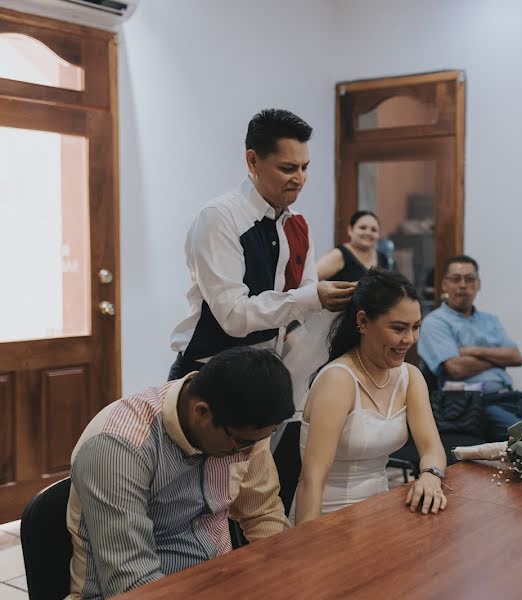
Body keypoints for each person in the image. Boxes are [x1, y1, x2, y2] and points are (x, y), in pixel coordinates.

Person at [67, 347, 294, 600]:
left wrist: (284, 579)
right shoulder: (119, 448)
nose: (248, 451)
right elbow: (134, 584)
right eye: (242, 443)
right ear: (201, 413)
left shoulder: (243, 426)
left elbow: (262, 514)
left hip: (219, 582)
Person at [168, 108, 355, 381]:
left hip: (266, 372)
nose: (300, 179)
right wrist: (313, 297)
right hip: (208, 373)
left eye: (305, 168)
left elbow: (303, 301)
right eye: (288, 168)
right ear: (253, 161)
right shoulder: (219, 218)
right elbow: (234, 316)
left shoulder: (298, 225)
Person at [292, 268, 448, 524]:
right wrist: (309, 543)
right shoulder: (338, 380)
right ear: (363, 321)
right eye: (398, 328)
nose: (409, 339)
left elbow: (431, 447)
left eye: (416, 327)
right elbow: (312, 478)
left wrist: (431, 474)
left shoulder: (410, 377)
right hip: (330, 515)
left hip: (381, 510)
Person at [417, 255, 522, 441]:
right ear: (444, 284)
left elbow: (516, 357)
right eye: (455, 279)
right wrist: (496, 358)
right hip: (472, 404)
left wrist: (472, 351)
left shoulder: (489, 320)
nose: (463, 285)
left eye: (469, 279)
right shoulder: (435, 323)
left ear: (478, 284)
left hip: (508, 395)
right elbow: (456, 368)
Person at [316, 209, 389, 281]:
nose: (368, 233)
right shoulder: (338, 255)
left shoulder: (383, 258)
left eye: (373, 230)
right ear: (350, 230)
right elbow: (310, 280)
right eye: (362, 228)